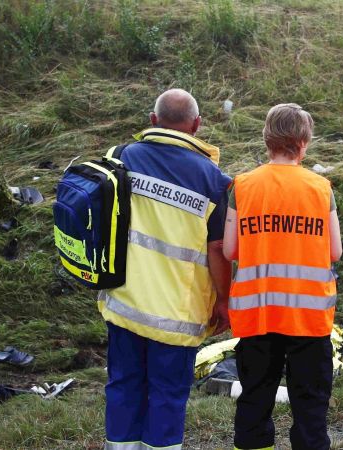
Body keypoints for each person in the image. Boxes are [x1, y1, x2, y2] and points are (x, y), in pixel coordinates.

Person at [100, 89, 232, 450]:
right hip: (176, 314)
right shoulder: (214, 182)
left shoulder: (121, 158)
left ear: (154, 120)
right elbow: (219, 249)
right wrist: (224, 300)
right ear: (197, 125)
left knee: (123, 385)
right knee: (168, 396)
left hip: (124, 302)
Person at [222, 103, 343, 450]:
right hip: (309, 318)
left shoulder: (243, 186)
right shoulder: (320, 188)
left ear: (267, 139)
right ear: (303, 142)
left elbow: (230, 250)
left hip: (258, 315)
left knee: (255, 402)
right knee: (310, 407)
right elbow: (334, 251)